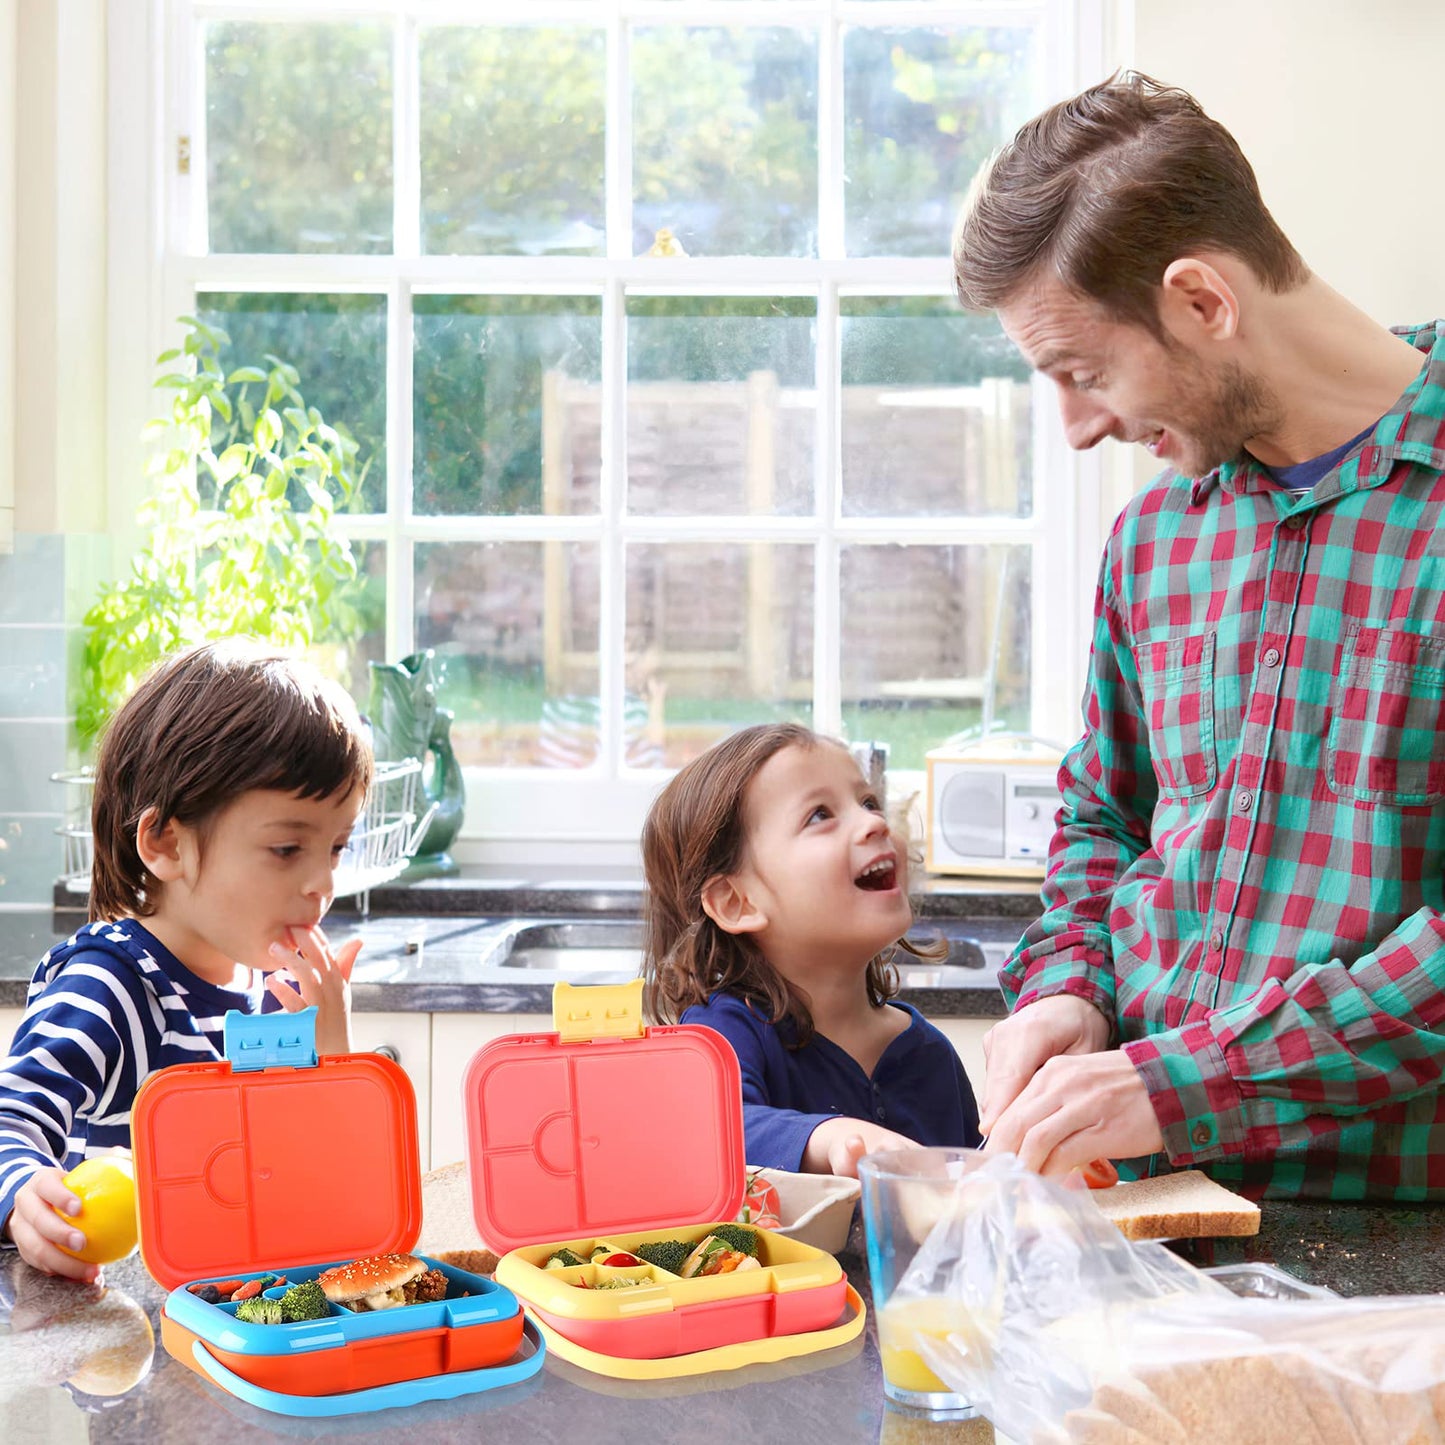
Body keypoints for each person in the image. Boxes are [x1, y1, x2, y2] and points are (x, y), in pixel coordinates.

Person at [951, 71, 1445, 1200]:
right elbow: (1104, 813)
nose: (1078, 429)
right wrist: (1064, 988)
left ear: (1200, 300)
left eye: (1081, 373)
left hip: (1386, 1237)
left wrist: (1179, 1086)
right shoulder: (1152, 542)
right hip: (1137, 1209)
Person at [0, 641, 374, 1280]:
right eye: (288, 848)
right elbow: (12, 1116)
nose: (322, 883)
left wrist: (333, 1061)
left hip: (238, 1319)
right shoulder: (109, 987)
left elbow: (308, 1182)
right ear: (165, 843)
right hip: (122, 1340)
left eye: (336, 847)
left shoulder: (274, 990)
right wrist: (22, 1197)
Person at [642, 722, 982, 1176]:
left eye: (868, 802)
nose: (875, 822)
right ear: (737, 902)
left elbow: (971, 1195)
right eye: (820, 815)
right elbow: (699, 1129)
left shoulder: (930, 1054)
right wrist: (829, 1136)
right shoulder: (723, 1034)